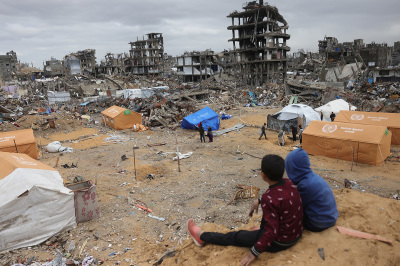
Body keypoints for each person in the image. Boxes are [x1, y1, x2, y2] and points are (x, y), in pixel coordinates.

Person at [187, 155, 303, 266]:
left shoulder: (269, 198)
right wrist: (259, 200)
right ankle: (262, 230)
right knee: (269, 220)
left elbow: (272, 232)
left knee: (235, 237)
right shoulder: (288, 183)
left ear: (263, 175)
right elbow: (281, 199)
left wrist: (254, 252)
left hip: (280, 241)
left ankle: (200, 236)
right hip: (295, 233)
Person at [285, 148, 338, 232]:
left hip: (319, 224)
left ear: (293, 168)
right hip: (331, 217)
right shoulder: (312, 177)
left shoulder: (304, 185)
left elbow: (294, 205)